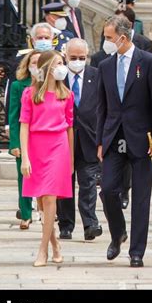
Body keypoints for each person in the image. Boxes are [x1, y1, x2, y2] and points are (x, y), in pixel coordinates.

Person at [96, 15, 152, 267]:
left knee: (140, 198)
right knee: (108, 189)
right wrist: (100, 141)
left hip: (143, 137)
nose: (105, 42)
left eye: (108, 38)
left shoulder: (147, 62)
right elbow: (101, 106)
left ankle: (137, 251)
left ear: (123, 38)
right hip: (114, 135)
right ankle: (118, 234)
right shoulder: (105, 65)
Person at [20, 50, 74, 267]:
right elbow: (24, 125)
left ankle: (42, 249)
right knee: (41, 200)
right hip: (36, 146)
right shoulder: (30, 94)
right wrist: (25, 157)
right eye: (58, 63)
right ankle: (54, 244)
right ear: (47, 67)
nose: (62, 67)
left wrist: (71, 158)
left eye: (63, 63)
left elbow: (70, 127)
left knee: (50, 197)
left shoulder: (67, 94)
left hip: (58, 147)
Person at [56, 38, 103, 241]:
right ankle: (65, 225)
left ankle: (90, 223)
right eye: (73, 58)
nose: (77, 61)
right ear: (66, 56)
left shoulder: (97, 76)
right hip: (63, 139)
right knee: (64, 184)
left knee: (88, 184)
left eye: (81, 58)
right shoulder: (58, 77)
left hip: (89, 139)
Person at [8, 50, 41, 229]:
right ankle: (26, 213)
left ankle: (49, 211)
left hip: (45, 137)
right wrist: (14, 143)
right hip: (24, 136)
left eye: (39, 62)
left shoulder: (53, 85)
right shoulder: (18, 86)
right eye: (33, 63)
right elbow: (13, 116)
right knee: (24, 177)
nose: (36, 66)